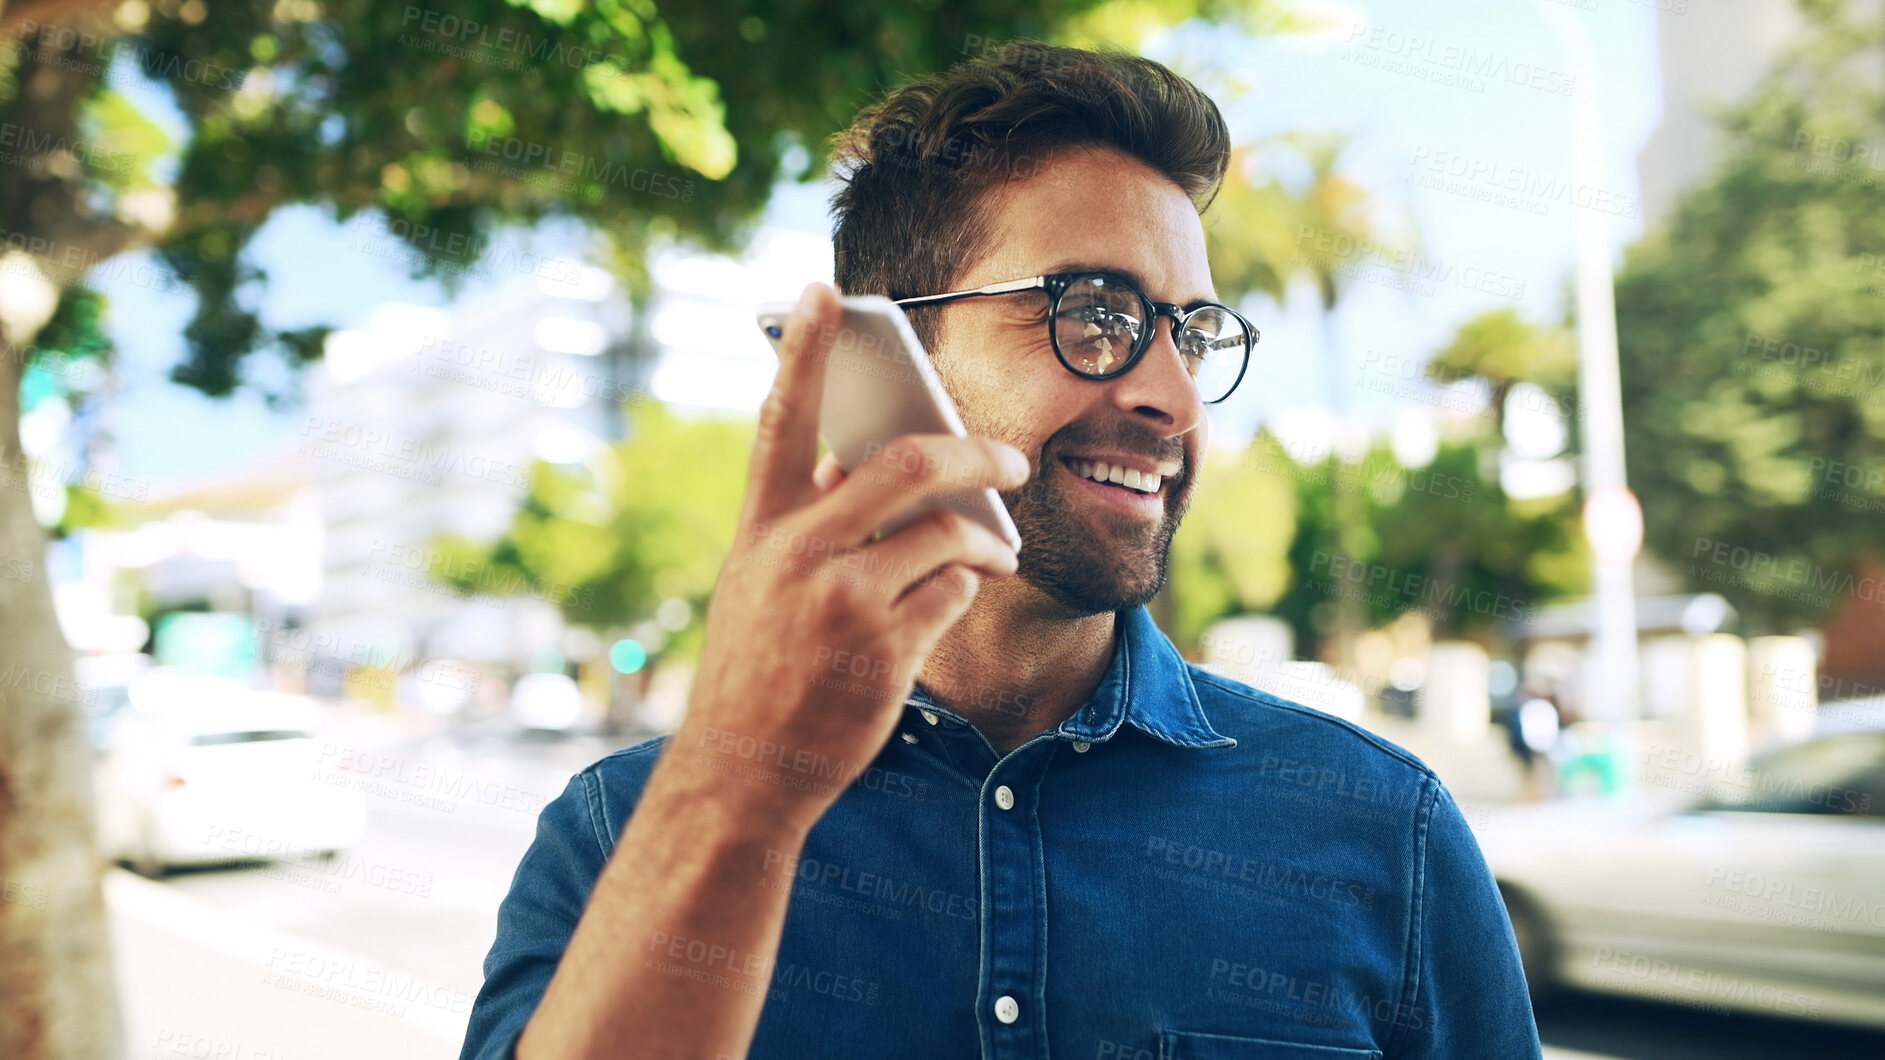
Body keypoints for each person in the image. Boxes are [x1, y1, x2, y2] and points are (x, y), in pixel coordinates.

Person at [460, 41, 1541, 1060]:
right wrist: (740, 792)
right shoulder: (620, 835)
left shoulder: (1382, 830)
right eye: (1094, 312)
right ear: (885, 360)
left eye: (1194, 332)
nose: (1170, 397)